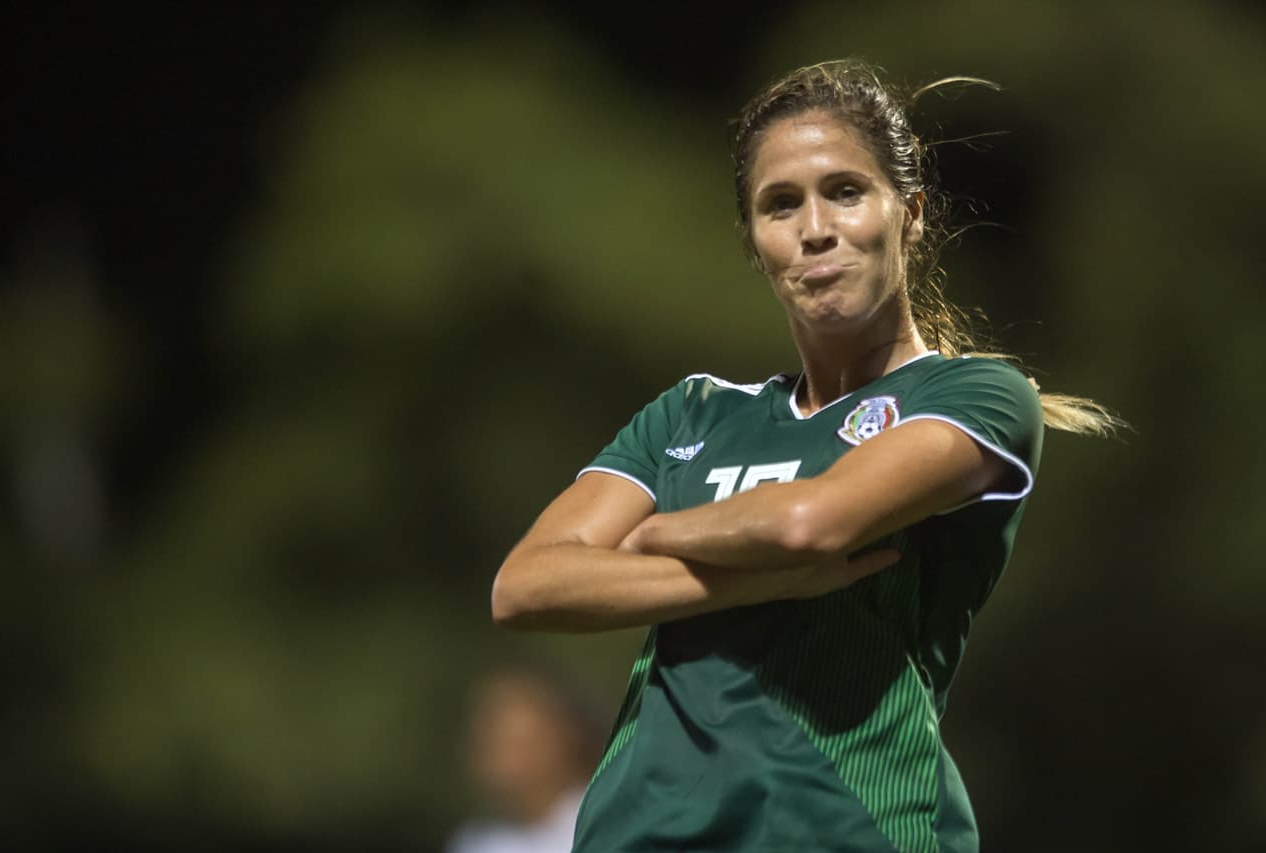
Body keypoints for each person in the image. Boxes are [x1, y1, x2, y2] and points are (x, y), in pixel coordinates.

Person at [491, 59, 1121, 852]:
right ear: (755, 242)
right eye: (780, 204)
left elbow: (808, 521)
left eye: (845, 191)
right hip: (639, 834)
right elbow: (525, 585)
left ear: (912, 213)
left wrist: (652, 535)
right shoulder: (693, 411)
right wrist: (765, 577)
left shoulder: (977, 397)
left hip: (841, 829)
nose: (815, 227)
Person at [444, 665, 607, 853]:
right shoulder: (473, 841)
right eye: (488, 739)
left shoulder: (609, 825)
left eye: (514, 743)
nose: (500, 761)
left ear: (562, 739)